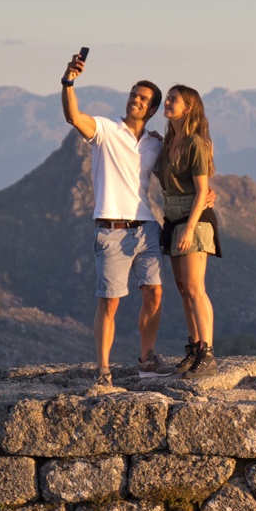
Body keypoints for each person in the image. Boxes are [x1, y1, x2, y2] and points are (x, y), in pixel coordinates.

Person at [61, 52, 166, 386]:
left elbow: (181, 174)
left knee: (155, 293)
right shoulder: (106, 129)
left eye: (142, 98)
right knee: (110, 302)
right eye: (133, 94)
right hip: (111, 229)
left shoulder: (154, 144)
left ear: (151, 109)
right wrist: (68, 81)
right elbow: (73, 116)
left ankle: (146, 361)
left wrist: (207, 192)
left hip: (147, 227)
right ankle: (103, 371)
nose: (134, 99)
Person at [156, 84, 222, 378]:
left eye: (174, 99)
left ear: (189, 107)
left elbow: (202, 191)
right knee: (183, 289)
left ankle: (207, 353)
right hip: (172, 218)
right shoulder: (169, 141)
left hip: (193, 220)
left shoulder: (195, 142)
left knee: (195, 287)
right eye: (168, 98)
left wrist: (189, 229)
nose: (167, 102)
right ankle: (195, 346)